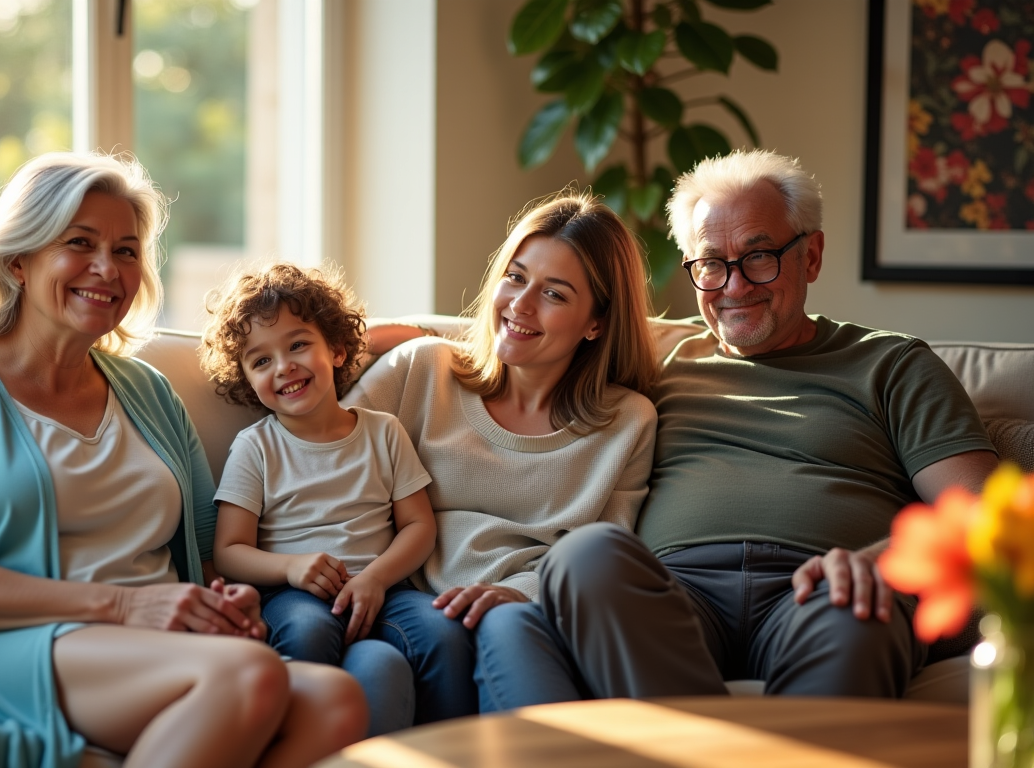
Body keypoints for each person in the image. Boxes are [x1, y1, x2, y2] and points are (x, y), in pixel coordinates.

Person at [0, 152, 366, 768]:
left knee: (336, 698)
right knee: (247, 676)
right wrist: (128, 606)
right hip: (1, 641)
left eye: (126, 250)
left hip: (148, 639)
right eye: (80, 242)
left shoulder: (147, 390)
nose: (107, 268)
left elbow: (203, 556)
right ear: (18, 259)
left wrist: (224, 604)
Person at [476, 149, 999, 709]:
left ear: (812, 255)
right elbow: (519, 334)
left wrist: (878, 561)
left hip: (824, 588)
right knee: (583, 557)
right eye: (710, 264)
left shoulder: (893, 365)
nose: (734, 286)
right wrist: (385, 341)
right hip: (675, 595)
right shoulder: (655, 357)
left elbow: (984, 511)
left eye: (759, 257)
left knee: (859, 609)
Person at [342, 192, 661, 711]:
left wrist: (521, 593)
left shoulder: (628, 421)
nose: (520, 305)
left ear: (596, 322)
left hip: (530, 612)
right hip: (413, 604)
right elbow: (323, 449)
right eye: (515, 277)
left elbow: (602, 554)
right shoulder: (423, 369)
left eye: (554, 295)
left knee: (510, 625)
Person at [199, 263, 476, 734]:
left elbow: (419, 526)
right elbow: (228, 551)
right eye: (261, 360)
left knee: (444, 635)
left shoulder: (383, 432)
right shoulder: (255, 447)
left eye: (298, 344)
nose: (283, 366)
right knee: (308, 633)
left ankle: (452, 752)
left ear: (337, 349)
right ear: (248, 379)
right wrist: (290, 567)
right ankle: (298, 741)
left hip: (383, 590)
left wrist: (374, 579)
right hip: (294, 596)